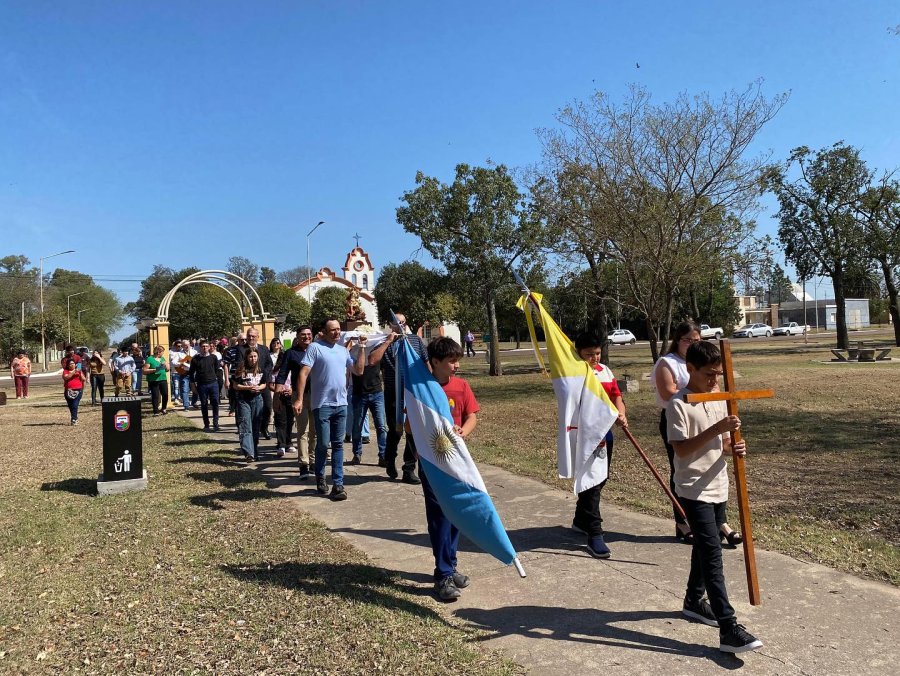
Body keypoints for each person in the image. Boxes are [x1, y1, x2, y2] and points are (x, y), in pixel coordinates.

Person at [666, 340, 762, 654]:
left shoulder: (719, 398)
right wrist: (717, 429)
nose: (714, 380)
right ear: (689, 369)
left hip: (718, 483)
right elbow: (681, 448)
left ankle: (694, 601)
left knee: (707, 547)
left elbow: (719, 444)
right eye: (708, 374)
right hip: (693, 489)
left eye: (718, 374)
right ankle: (728, 626)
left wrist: (733, 447)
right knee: (712, 553)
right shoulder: (678, 404)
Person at [652, 321, 741, 546]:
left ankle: (718, 521)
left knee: (713, 462)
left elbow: (718, 392)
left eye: (696, 339)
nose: (692, 343)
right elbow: (670, 393)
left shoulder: (709, 364)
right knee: (684, 468)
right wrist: (694, 395)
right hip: (684, 416)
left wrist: (713, 398)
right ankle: (684, 521)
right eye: (687, 340)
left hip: (710, 412)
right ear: (678, 340)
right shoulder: (668, 363)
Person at [421, 337, 480, 601]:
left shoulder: (461, 386)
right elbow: (409, 426)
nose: (456, 365)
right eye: (451, 361)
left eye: (457, 360)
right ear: (435, 362)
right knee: (440, 518)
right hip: (431, 462)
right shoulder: (421, 389)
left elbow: (471, 416)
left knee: (457, 515)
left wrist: (462, 432)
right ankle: (442, 575)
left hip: (458, 461)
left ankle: (451, 565)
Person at [293, 319, 366, 501]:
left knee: (338, 444)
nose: (336, 333)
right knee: (323, 444)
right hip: (322, 404)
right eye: (332, 330)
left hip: (341, 404)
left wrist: (363, 347)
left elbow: (358, 370)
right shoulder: (315, 348)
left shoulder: (343, 350)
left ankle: (338, 484)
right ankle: (320, 477)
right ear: (324, 332)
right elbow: (303, 373)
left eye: (338, 330)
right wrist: (300, 398)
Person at [571, 331, 628, 559]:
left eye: (597, 353)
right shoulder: (575, 373)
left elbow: (616, 397)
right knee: (592, 484)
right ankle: (595, 533)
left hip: (607, 434)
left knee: (601, 479)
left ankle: (580, 520)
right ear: (578, 354)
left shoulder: (605, 370)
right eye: (588, 355)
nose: (594, 358)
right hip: (585, 436)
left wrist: (621, 413)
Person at [367, 312, 428, 484]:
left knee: (413, 430)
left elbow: (426, 362)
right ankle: (389, 459)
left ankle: (408, 468)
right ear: (390, 325)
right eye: (396, 323)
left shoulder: (415, 340)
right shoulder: (383, 342)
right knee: (395, 430)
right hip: (393, 392)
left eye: (402, 323)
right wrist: (388, 341)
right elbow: (372, 361)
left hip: (413, 391)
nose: (399, 326)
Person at [275, 326, 315, 478]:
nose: (306, 337)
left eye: (309, 334)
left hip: (318, 395)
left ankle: (313, 462)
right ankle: (303, 464)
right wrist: (277, 396)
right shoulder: (291, 353)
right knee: (303, 430)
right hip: (300, 396)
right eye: (303, 335)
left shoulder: (317, 350)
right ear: (297, 337)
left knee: (315, 432)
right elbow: (282, 374)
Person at [349, 356, 388, 467]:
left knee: (381, 426)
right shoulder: (355, 350)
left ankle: (383, 455)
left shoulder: (377, 349)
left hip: (377, 393)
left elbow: (384, 370)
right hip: (359, 393)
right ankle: (357, 454)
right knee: (357, 426)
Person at [232, 347, 267, 462]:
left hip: (257, 399)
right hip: (244, 400)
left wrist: (258, 387)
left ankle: (255, 451)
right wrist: (248, 387)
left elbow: (264, 384)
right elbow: (235, 386)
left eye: (255, 356)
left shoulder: (261, 369)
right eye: (251, 356)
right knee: (246, 426)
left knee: (256, 427)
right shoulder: (241, 369)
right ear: (247, 357)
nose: (253, 359)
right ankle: (249, 453)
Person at [245, 329, 273, 439]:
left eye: (253, 336)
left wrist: (263, 376)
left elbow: (269, 364)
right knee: (250, 408)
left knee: (267, 406)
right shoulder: (242, 349)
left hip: (263, 383)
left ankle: (264, 427)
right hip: (248, 384)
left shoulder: (264, 349)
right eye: (249, 336)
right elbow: (239, 365)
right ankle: (250, 430)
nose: (251, 338)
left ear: (258, 337)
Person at [189, 339, 221, 431]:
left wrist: (218, 381)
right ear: (200, 347)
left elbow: (217, 370)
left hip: (213, 383)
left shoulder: (213, 357)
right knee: (204, 404)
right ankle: (206, 424)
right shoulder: (195, 359)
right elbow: (191, 373)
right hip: (201, 384)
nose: (205, 348)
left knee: (215, 403)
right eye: (203, 346)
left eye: (207, 346)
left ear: (209, 347)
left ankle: (216, 423)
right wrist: (193, 385)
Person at [271, 350, 294, 459]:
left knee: (290, 420)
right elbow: (270, 384)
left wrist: (291, 390)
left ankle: (288, 442)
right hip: (279, 397)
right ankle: (281, 444)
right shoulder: (275, 371)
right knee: (280, 420)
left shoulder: (293, 370)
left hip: (291, 396)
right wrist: (277, 390)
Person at [144, 345, 170, 415]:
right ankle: (155, 411)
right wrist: (154, 370)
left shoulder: (162, 359)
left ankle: (164, 408)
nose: (162, 354)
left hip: (163, 379)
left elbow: (167, 370)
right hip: (153, 380)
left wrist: (166, 365)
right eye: (162, 352)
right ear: (158, 352)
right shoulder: (150, 359)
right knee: (155, 395)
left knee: (165, 394)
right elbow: (144, 371)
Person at [62, 356, 87, 425]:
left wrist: (80, 372)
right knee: (71, 406)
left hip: (78, 390)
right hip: (68, 391)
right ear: (67, 365)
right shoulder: (65, 371)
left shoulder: (78, 371)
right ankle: (74, 417)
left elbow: (84, 379)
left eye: (73, 363)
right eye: (70, 364)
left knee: (75, 405)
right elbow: (66, 377)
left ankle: (74, 419)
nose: (72, 364)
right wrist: (73, 372)